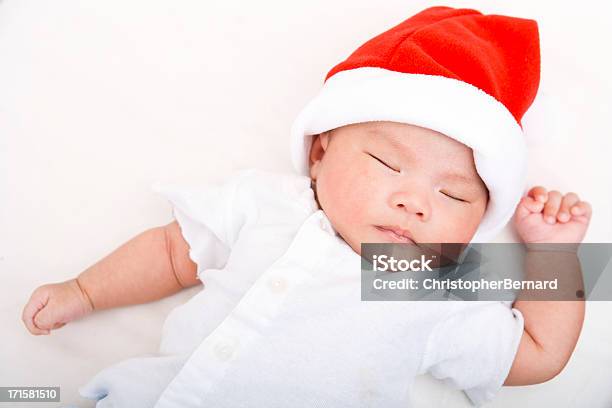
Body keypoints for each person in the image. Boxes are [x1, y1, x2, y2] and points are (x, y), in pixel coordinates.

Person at [22, 6, 591, 407]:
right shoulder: (262, 202)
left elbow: (538, 356)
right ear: (320, 152)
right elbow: (173, 253)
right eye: (389, 165)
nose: (414, 201)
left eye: (453, 195)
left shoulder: (429, 290)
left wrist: (553, 256)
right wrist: (86, 291)